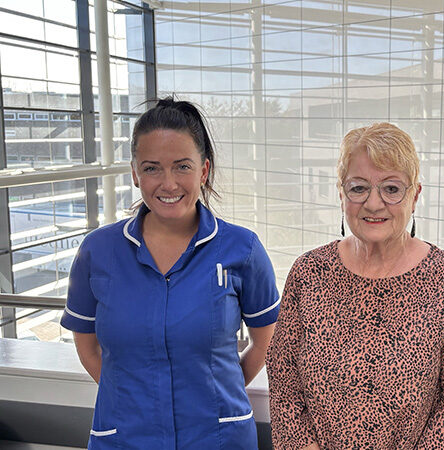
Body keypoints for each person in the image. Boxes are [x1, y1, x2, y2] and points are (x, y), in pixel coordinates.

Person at [60, 98, 280, 449]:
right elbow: (87, 348)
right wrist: (131, 402)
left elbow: (265, 341)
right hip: (125, 438)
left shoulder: (243, 248)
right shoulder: (97, 251)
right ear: (135, 173)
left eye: (182, 167)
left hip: (218, 439)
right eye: (152, 169)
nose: (168, 183)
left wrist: (216, 394)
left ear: (203, 171)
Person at [267, 122, 444, 449]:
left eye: (391, 188)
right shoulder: (308, 273)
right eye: (359, 188)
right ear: (341, 194)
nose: (374, 203)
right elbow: (284, 383)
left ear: (415, 196)